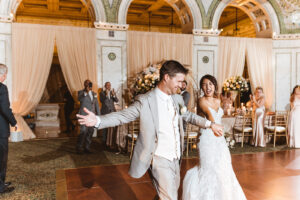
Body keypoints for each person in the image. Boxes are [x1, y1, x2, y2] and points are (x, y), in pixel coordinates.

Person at [77, 60, 223, 200]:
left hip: (176, 157)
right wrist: (98, 120)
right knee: (170, 197)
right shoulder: (145, 101)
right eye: (179, 81)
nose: (181, 85)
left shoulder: (177, 99)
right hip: (159, 158)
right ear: (166, 77)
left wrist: (210, 124)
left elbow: (188, 116)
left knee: (168, 194)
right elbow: (123, 116)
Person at [183, 74, 246, 200]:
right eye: (204, 85)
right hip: (206, 138)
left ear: (215, 86)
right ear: (201, 87)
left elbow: (220, 117)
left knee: (224, 167)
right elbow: (208, 113)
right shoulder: (201, 100)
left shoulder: (218, 101)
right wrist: (214, 125)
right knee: (208, 169)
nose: (208, 87)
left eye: (210, 84)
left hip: (219, 139)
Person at [0, 64, 17, 194]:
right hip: (0, 130)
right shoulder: (2, 88)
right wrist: (14, 122)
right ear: (3, 75)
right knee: (2, 158)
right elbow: (5, 109)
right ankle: (1, 187)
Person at [76, 80, 100, 154]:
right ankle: (79, 147)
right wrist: (86, 92)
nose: (88, 85)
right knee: (83, 132)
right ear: (84, 84)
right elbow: (80, 100)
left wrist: (99, 115)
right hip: (83, 115)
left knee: (90, 132)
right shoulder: (81, 92)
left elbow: (96, 105)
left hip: (92, 117)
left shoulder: (94, 94)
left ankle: (87, 147)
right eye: (87, 83)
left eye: (89, 83)